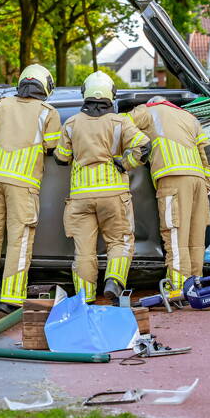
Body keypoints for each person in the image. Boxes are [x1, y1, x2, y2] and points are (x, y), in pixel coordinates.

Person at [0, 65, 61, 318]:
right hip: (22, 185)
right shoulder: (48, 112)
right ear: (46, 87)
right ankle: (11, 298)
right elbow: (54, 148)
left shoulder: (2, 104)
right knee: (19, 241)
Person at [54, 71, 149, 302]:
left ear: (85, 93)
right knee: (119, 241)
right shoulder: (121, 121)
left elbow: (61, 157)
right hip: (114, 194)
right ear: (111, 94)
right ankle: (114, 281)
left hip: (80, 197)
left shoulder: (71, 123)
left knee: (84, 250)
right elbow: (144, 147)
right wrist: (125, 163)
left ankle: (84, 298)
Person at [127, 95, 210, 301]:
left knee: (175, 236)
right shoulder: (188, 116)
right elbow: (208, 151)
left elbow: (121, 125)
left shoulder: (147, 110)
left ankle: (177, 288)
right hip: (198, 180)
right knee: (195, 238)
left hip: (172, 178)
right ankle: (196, 285)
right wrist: (207, 181)